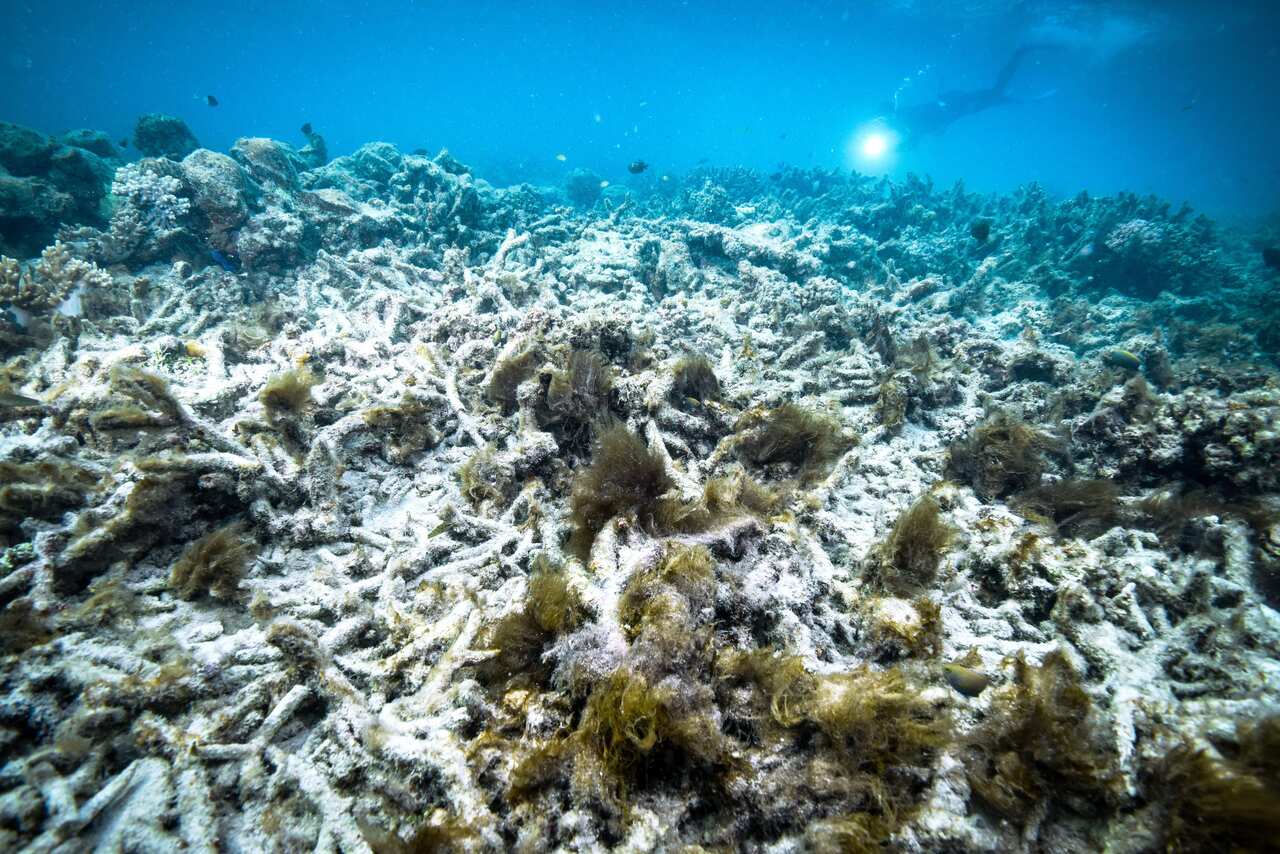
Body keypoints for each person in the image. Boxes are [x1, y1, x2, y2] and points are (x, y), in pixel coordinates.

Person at [886, 47, 1045, 148]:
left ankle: (1018, 57)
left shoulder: (909, 120)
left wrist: (910, 141)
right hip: (962, 104)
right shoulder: (907, 118)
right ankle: (1015, 95)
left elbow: (930, 127)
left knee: (996, 93)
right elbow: (932, 126)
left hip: (963, 104)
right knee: (996, 95)